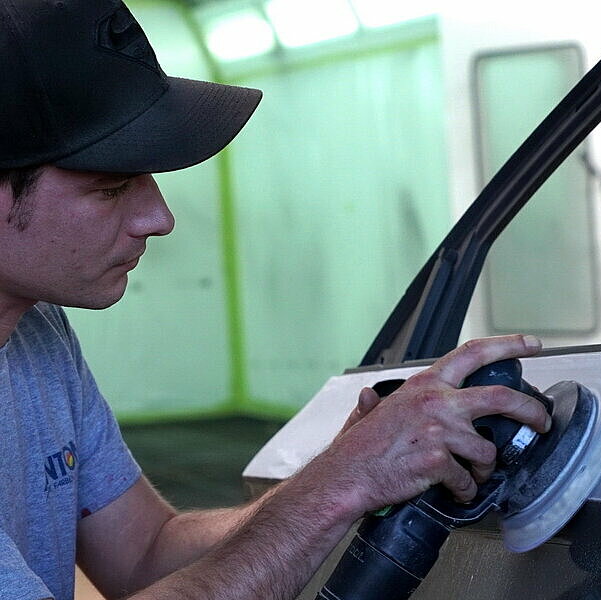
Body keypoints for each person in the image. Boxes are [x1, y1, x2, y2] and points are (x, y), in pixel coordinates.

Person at [0, 1, 551, 598]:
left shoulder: (38, 332)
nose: (158, 218)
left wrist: (347, 466)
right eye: (110, 188)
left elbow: (145, 555)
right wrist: (343, 483)